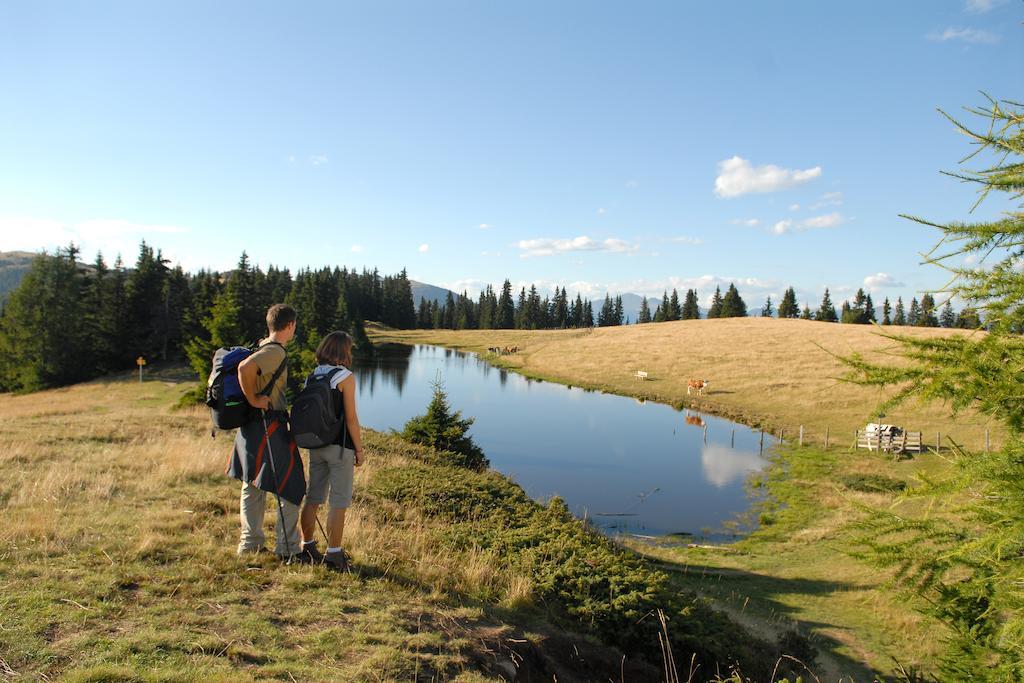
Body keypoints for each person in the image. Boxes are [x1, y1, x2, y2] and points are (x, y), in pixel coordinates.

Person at [228, 303, 306, 561]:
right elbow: (244, 369)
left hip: (253, 426)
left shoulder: (263, 346)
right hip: (268, 425)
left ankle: (250, 545)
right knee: (291, 485)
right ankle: (288, 548)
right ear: (290, 325)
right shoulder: (275, 352)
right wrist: (253, 398)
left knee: (253, 482)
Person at [297, 330, 364, 571]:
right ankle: (334, 555)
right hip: (340, 448)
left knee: (313, 497)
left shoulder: (312, 376)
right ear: (344, 350)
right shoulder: (345, 377)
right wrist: (359, 449)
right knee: (339, 501)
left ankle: (307, 545)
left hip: (317, 445)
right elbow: (351, 418)